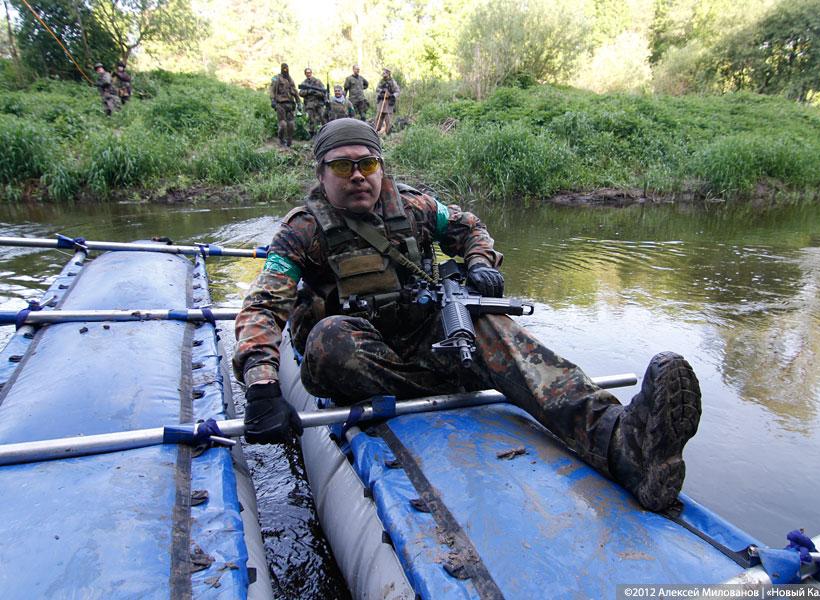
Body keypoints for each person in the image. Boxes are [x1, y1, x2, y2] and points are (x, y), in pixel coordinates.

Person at [233, 118, 702, 513]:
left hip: (422, 336)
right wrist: (261, 385)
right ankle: (462, 376)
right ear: (322, 172)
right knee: (330, 338)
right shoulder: (303, 230)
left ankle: (625, 442)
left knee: (491, 324)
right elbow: (264, 305)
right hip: (359, 353)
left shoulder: (413, 206)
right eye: (343, 165)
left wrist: (481, 264)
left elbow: (470, 227)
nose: (358, 176)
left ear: (381, 167)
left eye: (368, 163)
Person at [269, 63, 301, 147]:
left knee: (291, 124)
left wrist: (299, 102)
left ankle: (289, 140)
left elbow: (295, 91)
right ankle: (281, 139)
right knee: (283, 124)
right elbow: (271, 89)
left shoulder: (290, 79)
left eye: (286, 68)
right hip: (280, 104)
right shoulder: (276, 78)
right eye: (284, 68)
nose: (285, 70)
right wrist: (272, 100)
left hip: (290, 104)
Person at [298, 68, 327, 136]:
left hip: (319, 103)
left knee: (323, 117)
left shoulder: (317, 81)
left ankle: (325, 132)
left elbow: (324, 92)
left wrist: (316, 93)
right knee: (311, 119)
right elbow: (300, 93)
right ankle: (312, 134)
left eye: (309, 72)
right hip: (309, 104)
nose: (308, 74)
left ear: (311, 73)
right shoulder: (304, 83)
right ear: (305, 74)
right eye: (307, 73)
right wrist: (308, 92)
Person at [373, 68, 400, 135]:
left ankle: (388, 133)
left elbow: (397, 91)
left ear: (388, 74)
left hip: (388, 103)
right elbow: (377, 89)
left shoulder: (392, 82)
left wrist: (391, 95)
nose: (383, 74)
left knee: (388, 120)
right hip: (381, 102)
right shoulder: (381, 81)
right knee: (378, 118)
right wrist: (382, 91)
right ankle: (376, 131)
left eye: (384, 73)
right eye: (383, 73)